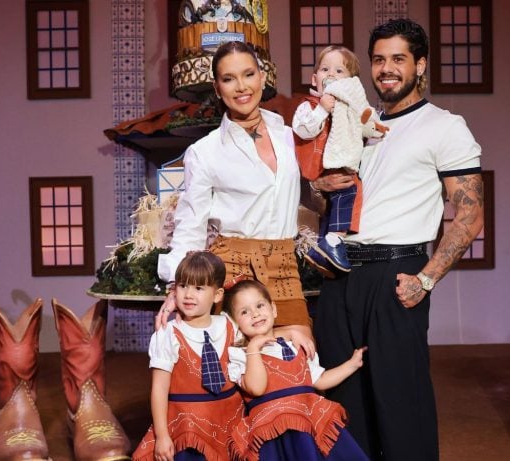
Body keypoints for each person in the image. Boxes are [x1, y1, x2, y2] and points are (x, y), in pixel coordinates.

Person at [311, 19, 484, 461]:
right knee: (341, 406)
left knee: (401, 404)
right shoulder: (356, 123)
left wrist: (425, 280)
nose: (386, 68)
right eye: (378, 59)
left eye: (398, 59)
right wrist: (320, 189)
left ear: (420, 65)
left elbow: (470, 215)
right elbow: (331, 201)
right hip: (338, 274)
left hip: (395, 275)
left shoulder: (444, 126)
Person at [155, 40, 310, 331]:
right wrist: (178, 285)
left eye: (248, 74)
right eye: (229, 79)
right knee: (236, 358)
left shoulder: (291, 137)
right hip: (231, 271)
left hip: (285, 267)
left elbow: (311, 194)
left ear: (261, 77)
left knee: (299, 353)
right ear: (217, 88)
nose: (241, 87)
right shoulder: (205, 151)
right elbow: (191, 224)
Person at [133, 252, 315, 461]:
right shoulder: (168, 333)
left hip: (231, 421)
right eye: (183, 286)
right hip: (189, 424)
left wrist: (289, 333)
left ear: (217, 295)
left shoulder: (228, 324)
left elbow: (256, 332)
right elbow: (159, 389)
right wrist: (162, 435)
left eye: (198, 288)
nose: (189, 294)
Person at [222, 279, 369, 460]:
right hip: (274, 438)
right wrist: (253, 348)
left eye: (260, 305)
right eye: (244, 312)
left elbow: (319, 380)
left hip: (307, 426)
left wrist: (352, 364)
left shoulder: (295, 346)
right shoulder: (241, 355)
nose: (255, 314)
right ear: (235, 322)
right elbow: (257, 388)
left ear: (273, 309)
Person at [292, 45, 387, 276]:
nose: (331, 75)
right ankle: (331, 241)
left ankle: (331, 242)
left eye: (339, 71)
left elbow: (366, 126)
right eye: (325, 70)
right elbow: (303, 129)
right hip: (314, 169)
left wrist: (374, 125)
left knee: (349, 192)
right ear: (314, 79)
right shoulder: (308, 106)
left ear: (350, 83)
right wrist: (322, 109)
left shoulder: (349, 110)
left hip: (340, 166)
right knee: (333, 201)